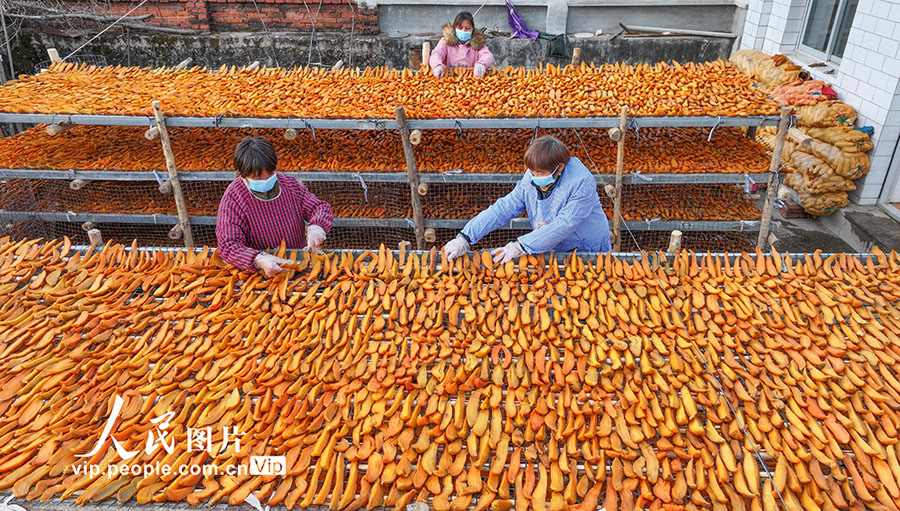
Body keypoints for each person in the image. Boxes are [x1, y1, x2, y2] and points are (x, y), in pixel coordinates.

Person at [443, 136, 611, 263]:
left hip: (585, 246)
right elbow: (504, 208)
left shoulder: (581, 182)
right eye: (532, 171)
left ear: (559, 167)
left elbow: (565, 224)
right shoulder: (532, 176)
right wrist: (465, 237)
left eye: (539, 173)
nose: (534, 176)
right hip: (549, 242)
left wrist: (520, 245)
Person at [216, 136, 333, 276]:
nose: (266, 180)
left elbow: (319, 207)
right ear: (243, 175)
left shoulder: (289, 185)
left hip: (299, 262)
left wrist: (317, 227)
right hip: (262, 272)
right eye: (258, 178)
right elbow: (228, 245)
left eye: (270, 174)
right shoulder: (234, 197)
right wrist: (257, 259)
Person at [429, 11, 494, 78]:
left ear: (472, 30)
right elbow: (437, 53)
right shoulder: (445, 41)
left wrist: (481, 64)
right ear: (454, 28)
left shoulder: (478, 43)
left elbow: (487, 55)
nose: (463, 31)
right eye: (460, 28)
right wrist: (437, 65)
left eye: (467, 28)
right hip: (449, 78)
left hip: (471, 79)